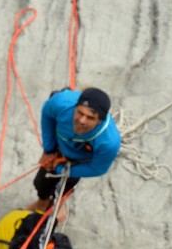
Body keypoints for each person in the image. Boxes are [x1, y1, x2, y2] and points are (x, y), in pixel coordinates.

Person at [28, 87, 122, 222]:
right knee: (40, 183)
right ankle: (42, 203)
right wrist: (48, 151)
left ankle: (58, 204)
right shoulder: (61, 102)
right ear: (75, 106)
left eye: (90, 117)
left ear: (100, 121)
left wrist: (60, 169)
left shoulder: (109, 142)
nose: (82, 120)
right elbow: (47, 113)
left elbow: (97, 168)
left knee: (65, 187)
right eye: (80, 112)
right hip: (58, 149)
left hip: (79, 161)